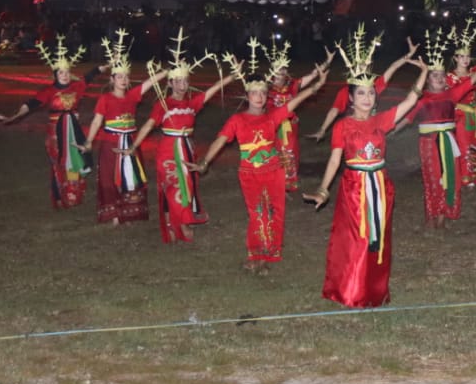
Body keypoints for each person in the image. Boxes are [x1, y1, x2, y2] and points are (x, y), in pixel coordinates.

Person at [304, 33, 427, 307]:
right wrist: (324, 189)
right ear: (350, 97)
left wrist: (423, 75)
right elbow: (336, 160)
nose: (368, 97)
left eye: (371, 92)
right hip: (354, 188)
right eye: (361, 93)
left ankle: (375, 290)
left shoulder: (381, 121)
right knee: (358, 239)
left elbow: (409, 102)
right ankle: (351, 291)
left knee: (379, 240)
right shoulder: (342, 126)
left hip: (381, 187)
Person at [197, 40, 329, 273]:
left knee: (275, 212)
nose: (258, 96)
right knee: (257, 212)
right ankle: (255, 253)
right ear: (247, 94)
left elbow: (296, 101)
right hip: (250, 174)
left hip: (274, 171)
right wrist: (205, 161)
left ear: (267, 95)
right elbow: (220, 140)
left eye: (262, 92)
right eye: (254, 92)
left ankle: (269, 255)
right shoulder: (237, 120)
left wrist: (317, 86)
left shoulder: (273, 116)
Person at [124, 29, 232, 243]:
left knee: (188, 184)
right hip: (168, 149)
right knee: (173, 184)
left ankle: (179, 219)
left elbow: (211, 91)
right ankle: (179, 222)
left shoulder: (192, 103)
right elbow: (147, 126)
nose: (183, 85)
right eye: (178, 82)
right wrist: (133, 146)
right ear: (170, 83)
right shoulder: (163, 105)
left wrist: (230, 77)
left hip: (187, 148)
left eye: (185, 81)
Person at [396, 28, 476, 228]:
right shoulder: (422, 98)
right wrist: (390, 132)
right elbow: (406, 119)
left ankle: (444, 214)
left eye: (442, 75)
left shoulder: (452, 94)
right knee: (432, 178)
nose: (440, 79)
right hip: (428, 144)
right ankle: (432, 214)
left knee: (449, 177)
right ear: (427, 78)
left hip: (448, 142)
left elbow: (473, 79)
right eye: (435, 76)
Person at [0, 36, 106, 210]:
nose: (65, 75)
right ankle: (59, 196)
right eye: (61, 73)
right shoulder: (49, 91)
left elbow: (92, 74)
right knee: (58, 163)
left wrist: (107, 65)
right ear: (55, 75)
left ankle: (73, 195)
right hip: (55, 133)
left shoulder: (77, 86)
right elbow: (29, 105)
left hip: (73, 130)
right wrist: (13, 117)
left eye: (67, 72)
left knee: (75, 159)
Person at [80, 30, 170, 226]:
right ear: (112, 79)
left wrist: (165, 72)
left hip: (130, 142)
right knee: (109, 177)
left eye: (125, 76)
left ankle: (129, 212)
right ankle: (113, 213)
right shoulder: (105, 99)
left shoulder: (133, 95)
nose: (123, 79)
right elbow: (96, 122)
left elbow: (150, 82)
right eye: (118, 76)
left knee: (131, 176)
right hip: (111, 143)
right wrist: (88, 141)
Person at [306, 32, 418, 142]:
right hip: (353, 131)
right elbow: (334, 111)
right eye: (360, 66)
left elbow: (393, 67)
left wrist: (409, 54)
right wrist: (322, 129)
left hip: (374, 128)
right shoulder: (346, 91)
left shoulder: (375, 85)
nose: (363, 69)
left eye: (366, 65)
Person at [266, 39, 333, 193]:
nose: (280, 74)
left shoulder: (293, 86)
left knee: (291, 153)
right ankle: (275, 183)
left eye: (283, 70)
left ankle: (288, 184)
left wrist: (327, 62)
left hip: (290, 127)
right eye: (277, 70)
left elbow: (313, 74)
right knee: (275, 154)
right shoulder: (266, 89)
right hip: (274, 128)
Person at [448, 22, 476, 189]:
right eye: (462, 57)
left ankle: (475, 174)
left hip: (474, 114)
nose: (465, 60)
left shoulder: (473, 72)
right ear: (456, 58)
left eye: (468, 57)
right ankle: (466, 176)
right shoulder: (450, 77)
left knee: (475, 144)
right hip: (461, 115)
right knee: (464, 144)